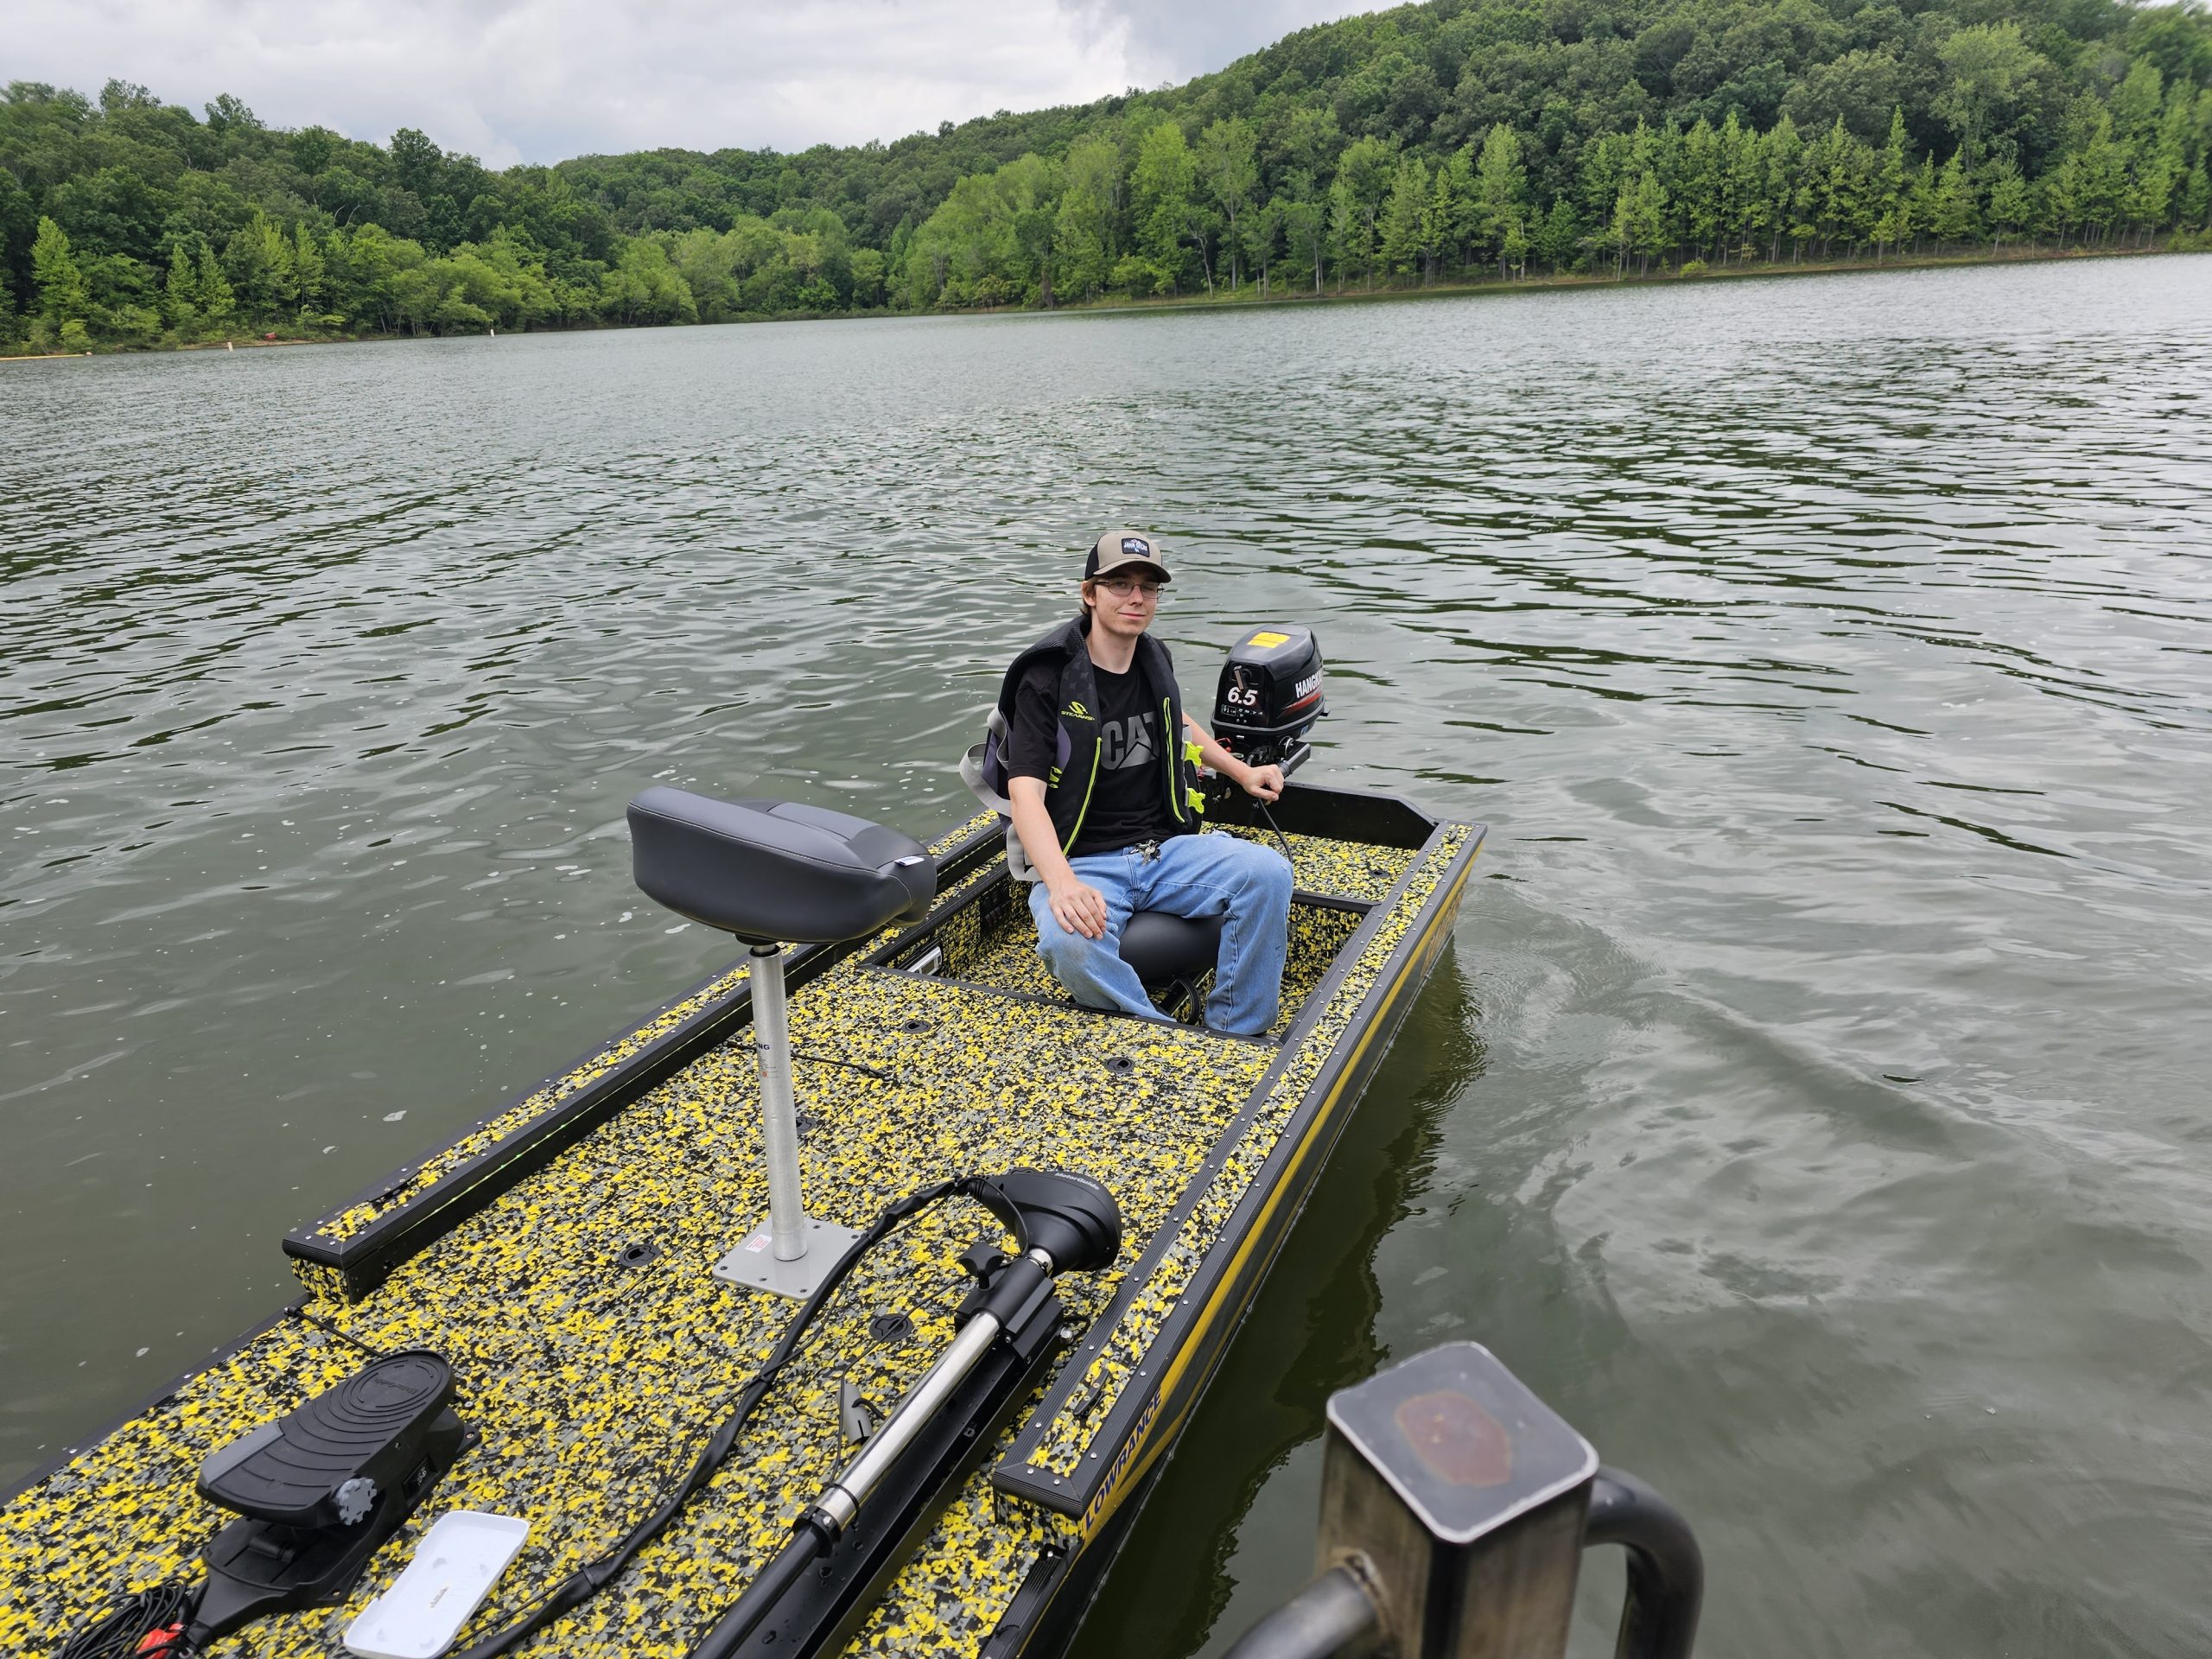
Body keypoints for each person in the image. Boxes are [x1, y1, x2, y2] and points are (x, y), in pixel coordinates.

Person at [995, 529, 1294, 1037]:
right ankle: (1161, 1033)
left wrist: (1242, 772)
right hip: (1084, 861)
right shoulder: (1046, 678)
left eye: (1148, 587)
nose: (1136, 597)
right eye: (1120, 584)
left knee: (1268, 872)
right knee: (1068, 945)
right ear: (1089, 593)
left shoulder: (1155, 658)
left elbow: (1178, 724)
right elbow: (1025, 795)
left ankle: (1237, 1032)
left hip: (1163, 850)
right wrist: (1063, 883)